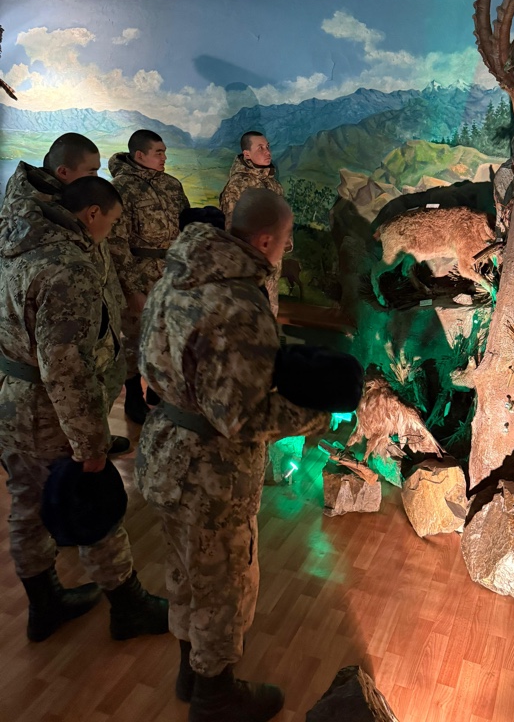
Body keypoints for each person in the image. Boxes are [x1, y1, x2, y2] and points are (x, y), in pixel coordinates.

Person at [135, 189, 362, 722]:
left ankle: (191, 671)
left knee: (184, 569)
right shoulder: (238, 303)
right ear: (264, 241)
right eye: (285, 239)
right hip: (210, 473)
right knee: (223, 584)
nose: (286, 249)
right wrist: (317, 418)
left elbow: (148, 357)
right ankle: (215, 698)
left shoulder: (180, 272)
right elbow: (240, 418)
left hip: (163, 451)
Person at [0, 177, 168, 642]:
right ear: (92, 214)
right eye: (111, 223)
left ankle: (44, 603)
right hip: (50, 411)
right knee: (91, 505)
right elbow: (66, 369)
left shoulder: (17, 240)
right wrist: (91, 443)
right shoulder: (68, 268)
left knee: (27, 505)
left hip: (12, 400)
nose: (109, 234)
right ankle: (129, 607)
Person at [1, 133, 129, 455]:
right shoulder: (44, 226)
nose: (98, 177)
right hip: (43, 401)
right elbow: (63, 364)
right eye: (92, 171)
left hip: (70, 375)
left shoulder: (64, 212)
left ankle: (91, 434)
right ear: (63, 172)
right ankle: (86, 439)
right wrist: (88, 443)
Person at [108, 129, 189, 426]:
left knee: (169, 334)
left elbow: (186, 226)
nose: (164, 157)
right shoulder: (120, 189)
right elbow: (116, 243)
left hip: (171, 274)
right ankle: (133, 394)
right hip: (139, 274)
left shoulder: (171, 185)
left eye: (165, 152)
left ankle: (159, 389)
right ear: (140, 155)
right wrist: (132, 289)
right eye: (159, 152)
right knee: (135, 339)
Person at [219, 131, 285, 315]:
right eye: (260, 148)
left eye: (268, 147)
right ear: (247, 154)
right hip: (250, 271)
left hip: (272, 268)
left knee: (270, 315)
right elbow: (232, 232)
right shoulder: (237, 186)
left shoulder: (273, 184)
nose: (267, 152)